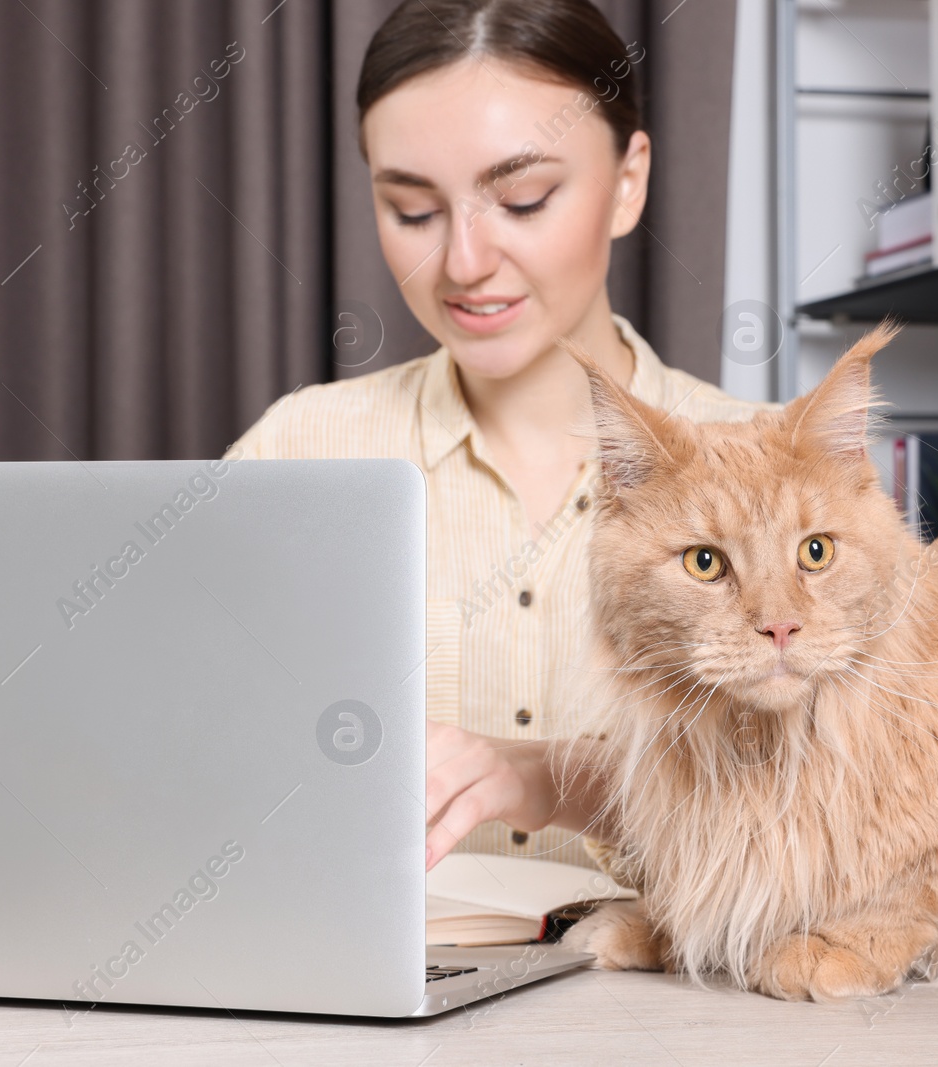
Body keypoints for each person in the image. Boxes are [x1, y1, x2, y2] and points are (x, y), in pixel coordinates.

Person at [222, 0, 772, 876]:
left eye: (522, 199)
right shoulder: (301, 450)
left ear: (628, 182)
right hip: (378, 998)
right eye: (412, 211)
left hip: (676, 1002)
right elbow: (195, 751)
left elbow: (826, 808)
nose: (465, 262)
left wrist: (558, 777)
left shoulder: (773, 469)